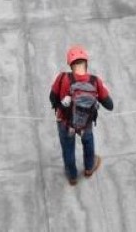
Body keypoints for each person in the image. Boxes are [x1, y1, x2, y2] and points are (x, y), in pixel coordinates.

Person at [49, 45, 114, 185]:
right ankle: (89, 168)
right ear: (86, 63)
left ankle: (72, 176)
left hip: (65, 122)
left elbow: (52, 98)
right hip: (86, 122)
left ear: (70, 65)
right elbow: (110, 106)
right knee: (88, 142)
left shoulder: (62, 78)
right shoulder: (95, 81)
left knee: (68, 148)